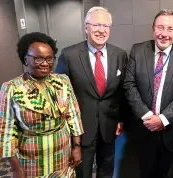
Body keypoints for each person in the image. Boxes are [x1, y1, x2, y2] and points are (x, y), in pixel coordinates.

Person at [0, 32, 83, 178]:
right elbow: (5, 132)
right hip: (30, 160)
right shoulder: (12, 88)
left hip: (62, 154)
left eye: (49, 58)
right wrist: (16, 168)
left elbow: (73, 115)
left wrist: (77, 147)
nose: (45, 63)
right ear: (25, 59)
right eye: (38, 59)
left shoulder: (62, 81)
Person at [55, 6, 127, 178]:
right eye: (96, 25)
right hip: (80, 129)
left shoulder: (120, 55)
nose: (101, 30)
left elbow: (122, 91)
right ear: (86, 27)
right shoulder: (69, 55)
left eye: (106, 26)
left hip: (109, 126)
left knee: (106, 170)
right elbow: (60, 95)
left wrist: (121, 119)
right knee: (82, 172)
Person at [123, 9, 173, 178]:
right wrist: (147, 116)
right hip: (144, 128)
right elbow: (129, 85)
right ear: (153, 28)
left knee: (168, 174)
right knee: (144, 172)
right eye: (160, 27)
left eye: (170, 29)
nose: (164, 34)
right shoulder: (137, 51)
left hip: (170, 130)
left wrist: (162, 120)